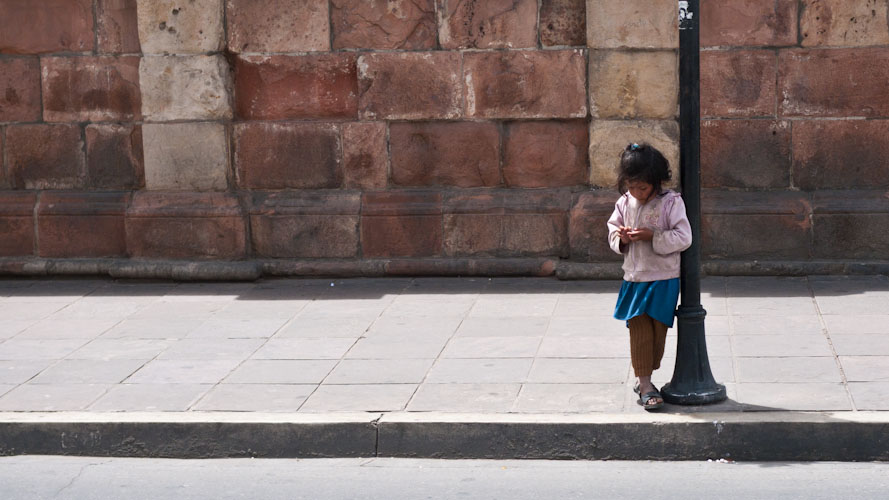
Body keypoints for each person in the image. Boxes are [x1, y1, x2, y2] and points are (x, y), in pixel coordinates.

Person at [607, 143, 692, 411]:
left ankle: (645, 374)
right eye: (631, 187)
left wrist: (651, 236)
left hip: (664, 278)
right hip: (634, 278)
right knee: (640, 329)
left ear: (656, 182)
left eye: (642, 188)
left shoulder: (671, 203)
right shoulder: (624, 202)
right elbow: (611, 230)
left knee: (657, 333)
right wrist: (620, 238)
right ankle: (645, 384)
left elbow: (684, 237)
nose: (637, 193)